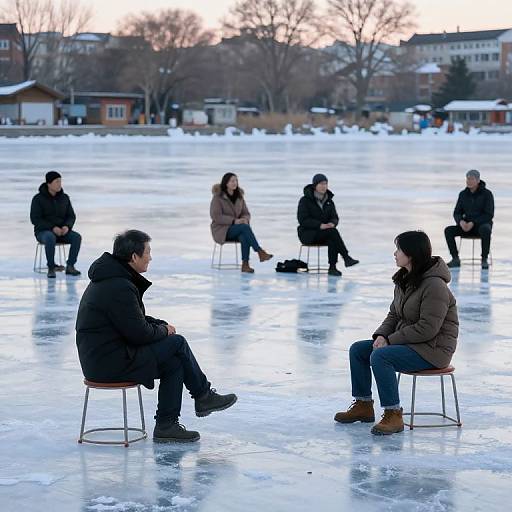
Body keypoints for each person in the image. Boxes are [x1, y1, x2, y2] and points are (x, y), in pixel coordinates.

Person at [76, 229, 237, 443]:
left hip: (107, 357)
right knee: (177, 343)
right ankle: (202, 395)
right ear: (134, 256)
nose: (150, 258)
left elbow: (133, 319)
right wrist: (165, 331)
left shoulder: (113, 279)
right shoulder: (118, 286)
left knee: (173, 362)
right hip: (108, 363)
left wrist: (160, 325)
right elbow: (139, 334)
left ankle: (166, 425)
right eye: (147, 253)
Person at [334, 231, 458, 435]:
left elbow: (427, 329)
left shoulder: (435, 285)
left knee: (381, 356)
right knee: (358, 350)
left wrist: (390, 341)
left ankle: (393, 414)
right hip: (410, 343)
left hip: (433, 350)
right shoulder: (405, 279)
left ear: (411, 253)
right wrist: (381, 336)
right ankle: (363, 405)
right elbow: (393, 315)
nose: (395, 253)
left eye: (399, 249)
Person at [297, 173, 358, 277]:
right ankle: (346, 257)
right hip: (308, 234)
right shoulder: (305, 201)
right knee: (332, 233)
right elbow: (302, 220)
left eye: (325, 183)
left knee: (331, 238)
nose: (323, 186)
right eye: (321, 184)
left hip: (325, 233)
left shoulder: (329, 201)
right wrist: (319, 225)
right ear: (315, 185)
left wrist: (332, 223)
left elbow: (335, 217)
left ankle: (333, 268)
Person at [210, 172, 273, 273]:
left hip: (238, 228)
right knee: (244, 228)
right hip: (222, 230)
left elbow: (246, 213)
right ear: (226, 183)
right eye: (232, 181)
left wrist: (245, 219)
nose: (235, 183)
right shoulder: (218, 198)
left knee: (244, 235)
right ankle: (260, 251)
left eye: (236, 181)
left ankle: (245, 265)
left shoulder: (239, 197)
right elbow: (216, 216)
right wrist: (234, 221)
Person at [30, 171, 81, 278]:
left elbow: (71, 216)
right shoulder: (38, 199)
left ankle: (70, 266)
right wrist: (52, 228)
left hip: (62, 231)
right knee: (49, 237)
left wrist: (67, 226)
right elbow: (35, 219)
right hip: (43, 232)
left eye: (60, 182)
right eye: (57, 182)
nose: (59, 184)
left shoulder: (64, 198)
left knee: (76, 237)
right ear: (49, 184)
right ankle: (51, 268)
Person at [444, 169, 494, 269]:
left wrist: (473, 222)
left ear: (478, 180)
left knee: (486, 230)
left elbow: (489, 215)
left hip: (481, 226)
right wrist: (460, 222)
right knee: (448, 230)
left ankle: (484, 259)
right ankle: (455, 259)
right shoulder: (463, 194)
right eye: (467, 179)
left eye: (471, 179)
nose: (469, 181)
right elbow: (457, 212)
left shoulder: (487, 194)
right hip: (465, 227)